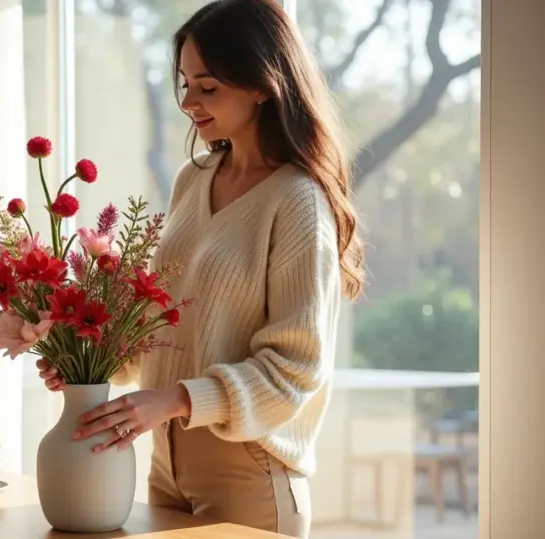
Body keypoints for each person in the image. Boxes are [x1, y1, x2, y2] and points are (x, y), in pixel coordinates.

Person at [35, 0, 365, 537]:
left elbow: (296, 368)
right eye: (185, 83)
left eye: (208, 87)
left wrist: (174, 400)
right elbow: (169, 323)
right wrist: (88, 362)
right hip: (163, 467)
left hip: (249, 475)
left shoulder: (298, 201)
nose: (189, 101)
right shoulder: (194, 178)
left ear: (262, 84)